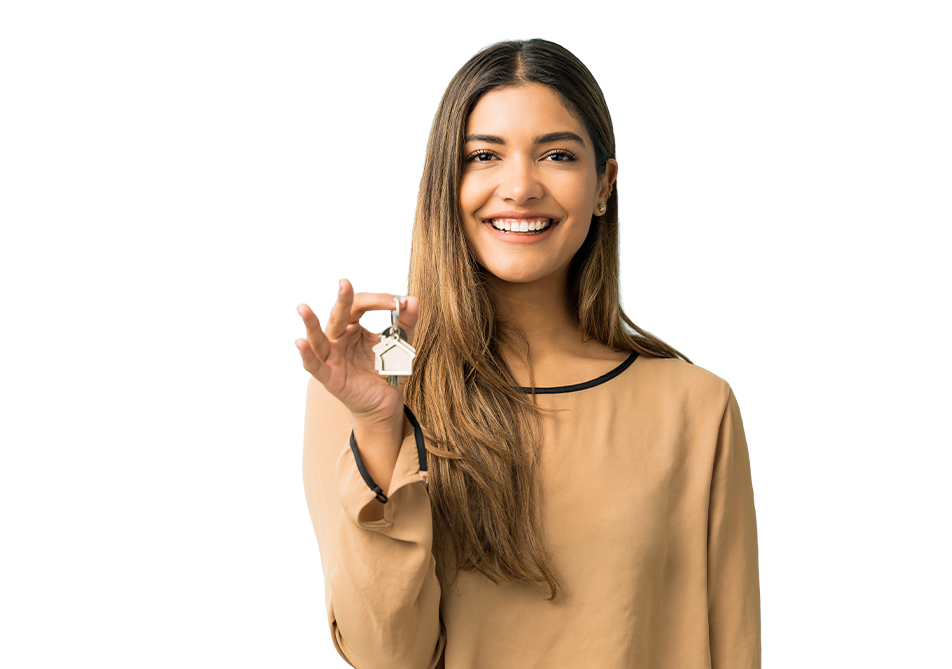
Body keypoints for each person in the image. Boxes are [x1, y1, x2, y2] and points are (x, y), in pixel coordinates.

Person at [297, 38, 761, 669]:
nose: (520, 186)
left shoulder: (697, 407)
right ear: (446, 184)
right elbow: (386, 657)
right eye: (483, 155)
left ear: (604, 185)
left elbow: (735, 647)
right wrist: (380, 428)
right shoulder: (367, 388)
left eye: (558, 155)